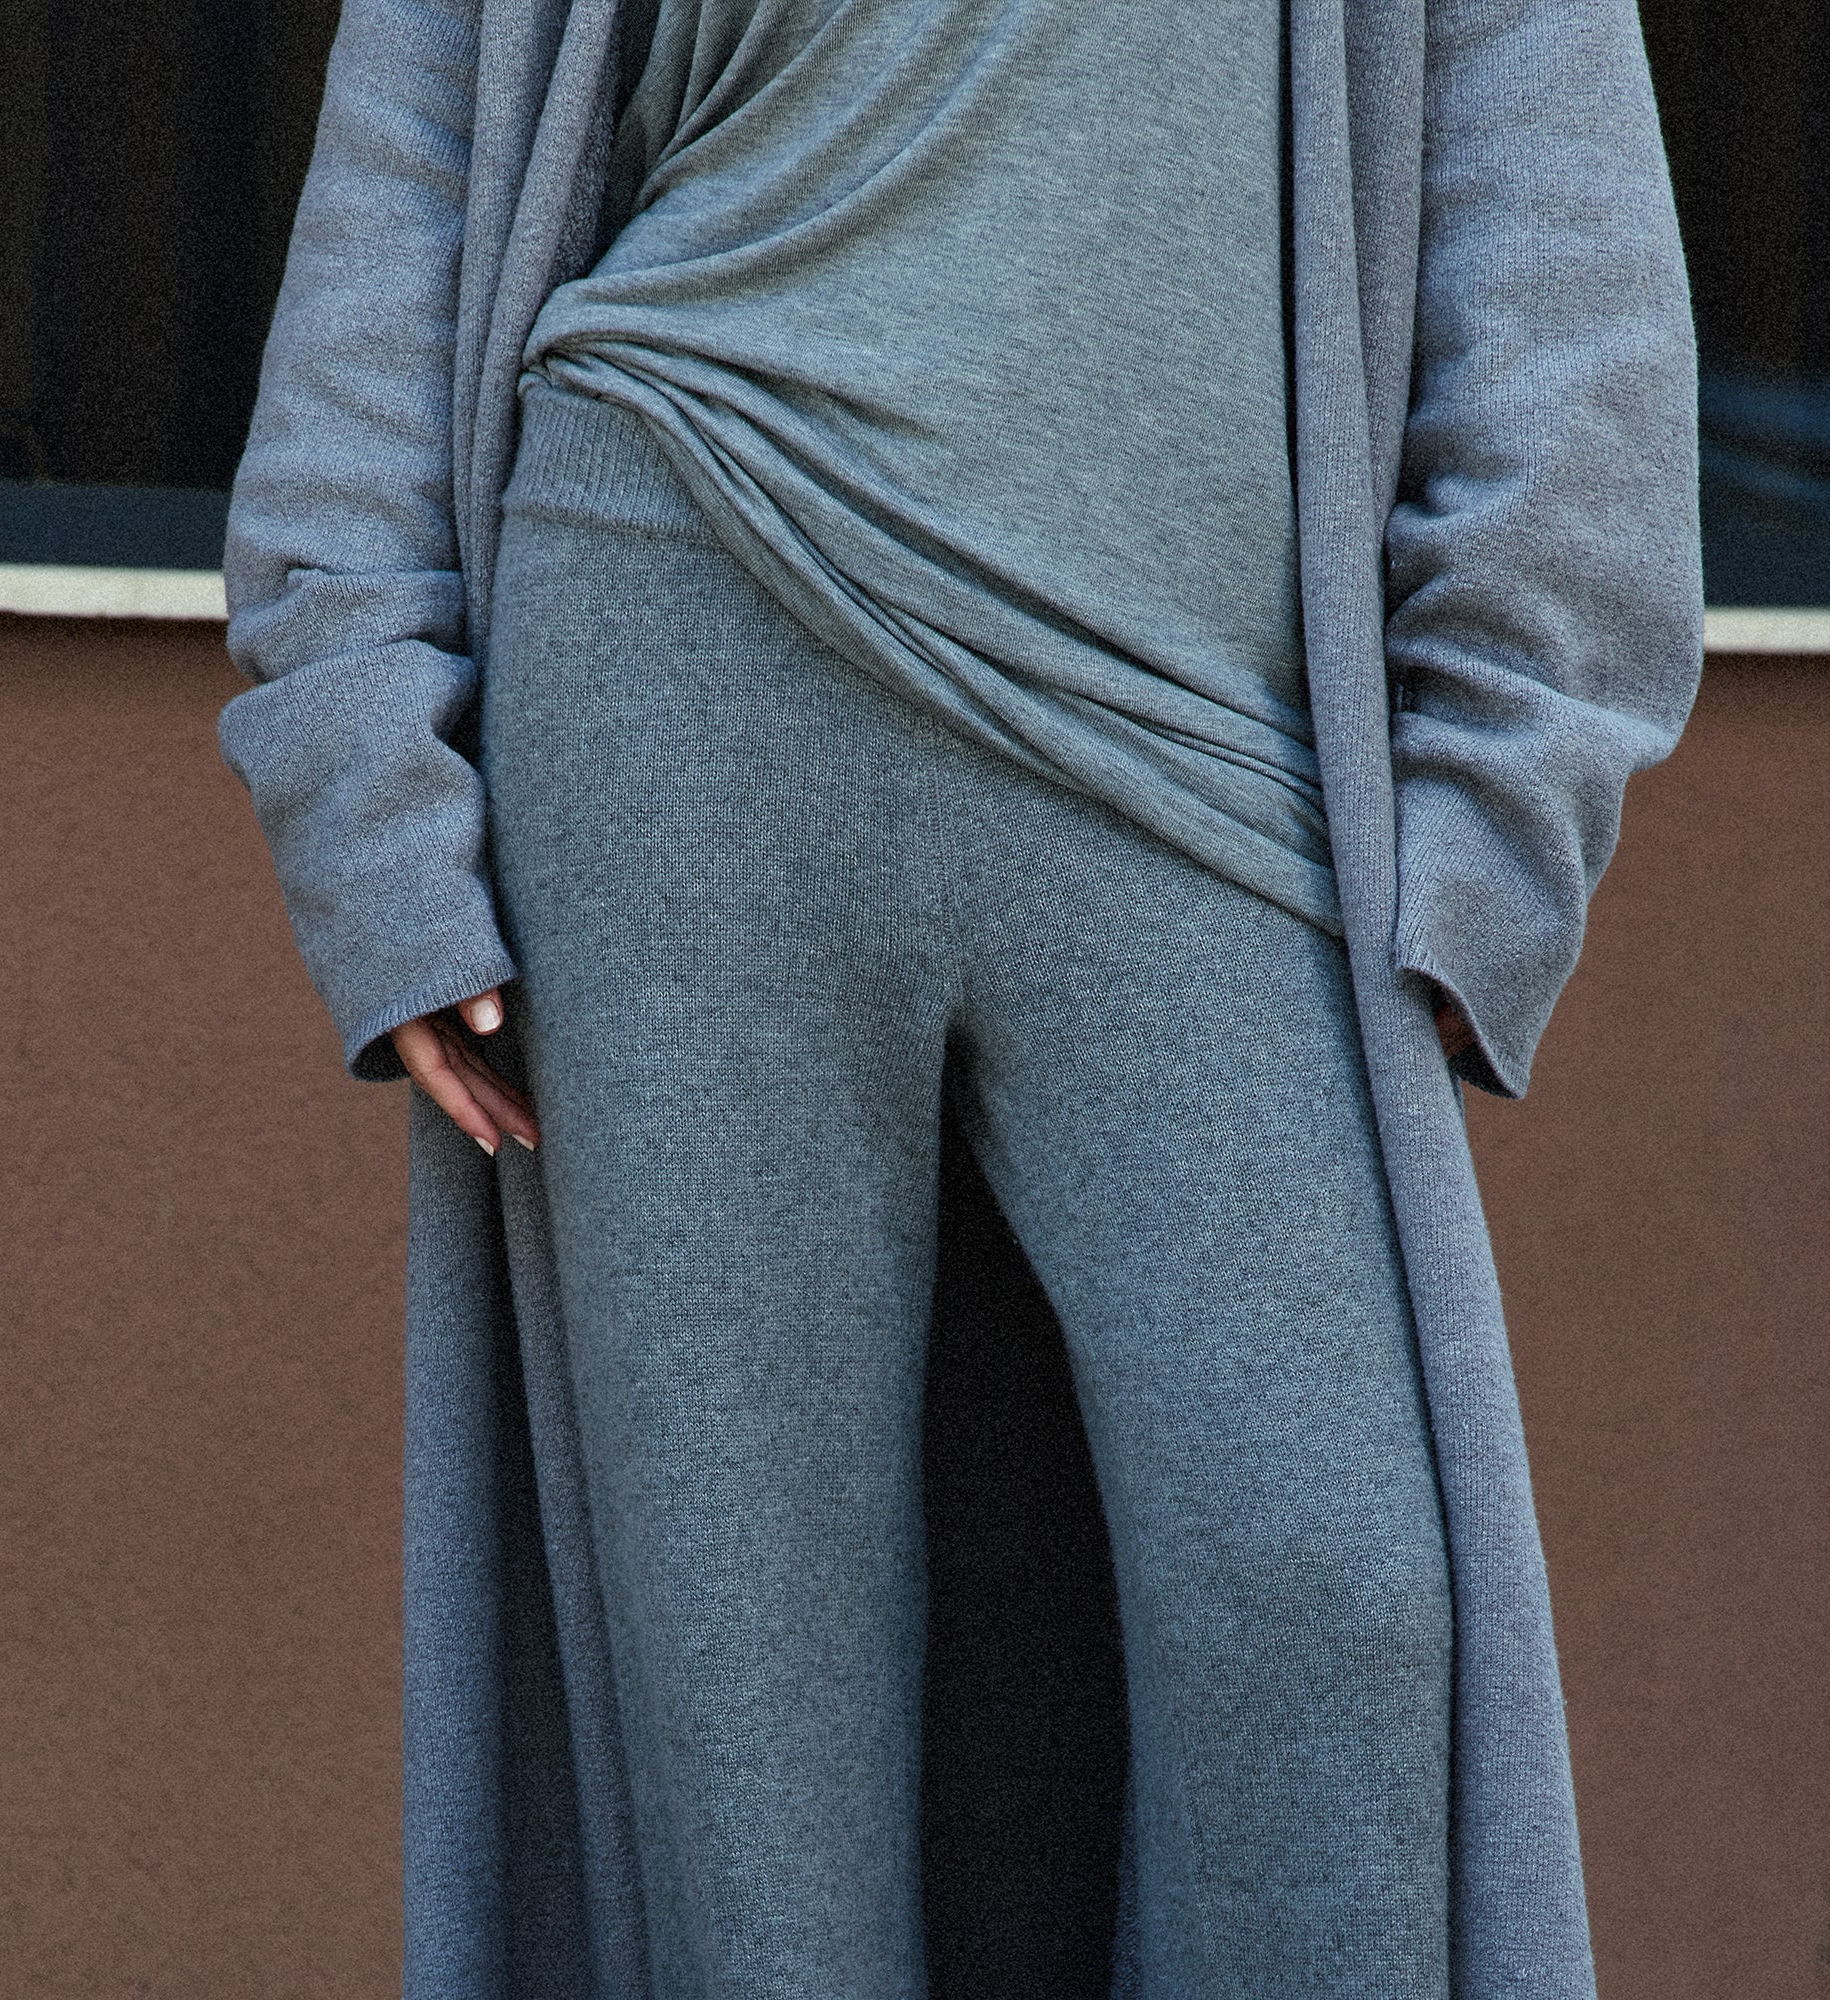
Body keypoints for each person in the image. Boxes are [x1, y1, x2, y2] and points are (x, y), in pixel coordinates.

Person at [217, 0, 1703, 1992]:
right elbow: (407, 166)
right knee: (750, 1710)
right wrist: (366, 786)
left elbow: (1552, 199)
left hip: (1196, 744)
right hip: (674, 619)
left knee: (1332, 1601)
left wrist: (1505, 784)